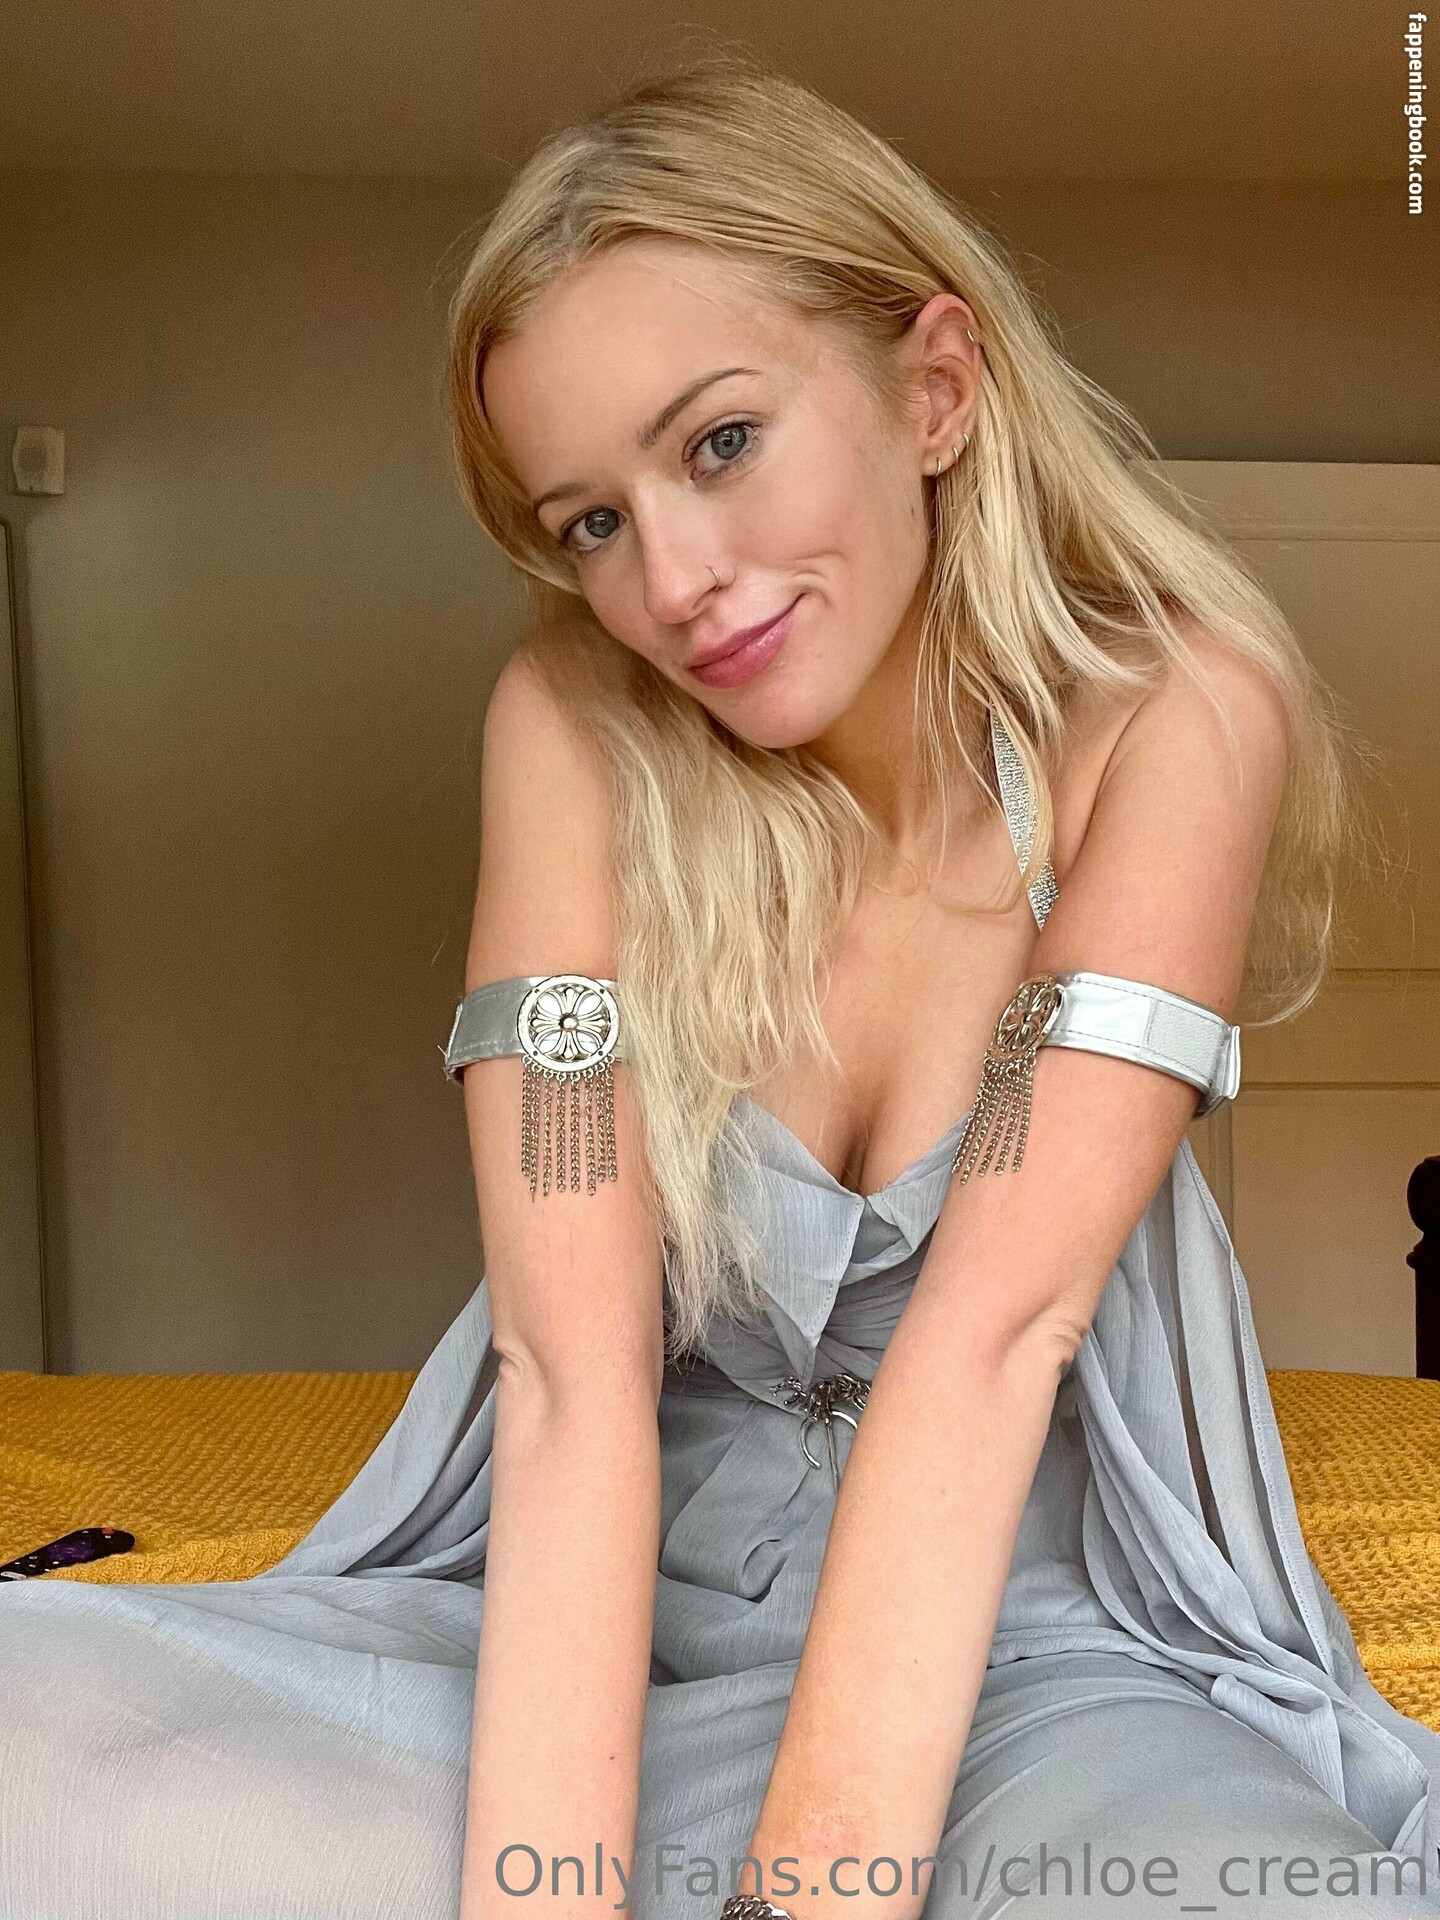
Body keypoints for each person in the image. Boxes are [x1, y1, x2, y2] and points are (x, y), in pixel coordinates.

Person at [1, 47, 1437, 1920]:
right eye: (591, 521)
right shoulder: (572, 727)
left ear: (935, 387)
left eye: (721, 443)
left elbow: (995, 1338)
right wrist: (546, 1894)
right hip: (604, 1644)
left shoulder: (1172, 718)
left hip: (1033, 1671)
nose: (672, 582)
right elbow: (567, 1371)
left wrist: (802, 1902)